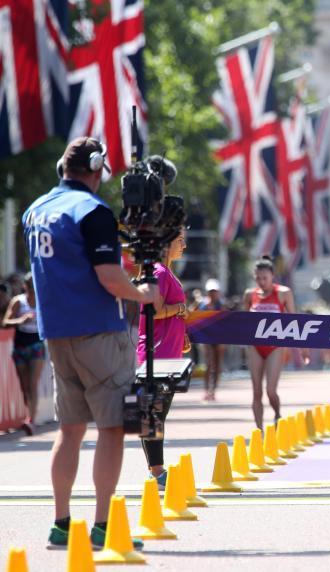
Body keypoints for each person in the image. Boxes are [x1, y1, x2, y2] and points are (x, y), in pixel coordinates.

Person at [23, 137, 154, 549]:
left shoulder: (34, 211)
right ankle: (102, 526)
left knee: (70, 430)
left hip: (57, 333)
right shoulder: (93, 211)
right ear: (96, 169)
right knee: (111, 429)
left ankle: (61, 523)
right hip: (99, 331)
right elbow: (109, 279)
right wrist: (144, 293)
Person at [136, 229, 188, 488]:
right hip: (157, 355)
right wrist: (179, 309)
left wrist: (182, 330)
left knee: (157, 414)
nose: (184, 245)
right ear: (167, 243)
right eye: (180, 240)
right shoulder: (158, 272)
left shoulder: (165, 272)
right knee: (152, 414)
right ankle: (157, 472)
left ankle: (156, 471)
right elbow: (152, 311)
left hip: (169, 354)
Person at [243, 256, 297, 430]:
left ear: (272, 276)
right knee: (256, 391)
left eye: (264, 278)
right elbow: (241, 322)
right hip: (255, 346)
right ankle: (259, 432)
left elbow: (295, 322)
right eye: (258, 278)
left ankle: (277, 414)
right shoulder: (249, 295)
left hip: (275, 346)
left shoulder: (283, 293)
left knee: (270, 391)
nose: (261, 281)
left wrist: (302, 348)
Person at [3, 273, 45, 435]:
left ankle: (31, 420)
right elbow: (6, 322)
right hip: (20, 345)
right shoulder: (18, 302)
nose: (32, 286)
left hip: (36, 344)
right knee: (25, 385)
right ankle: (29, 414)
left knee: (33, 384)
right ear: (24, 286)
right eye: (29, 283)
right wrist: (21, 320)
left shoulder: (42, 300)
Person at [199, 278, 226, 402]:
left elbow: (227, 322)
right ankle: (206, 390)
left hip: (219, 338)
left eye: (215, 291)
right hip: (206, 338)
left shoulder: (222, 305)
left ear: (218, 292)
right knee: (209, 364)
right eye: (210, 291)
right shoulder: (202, 304)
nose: (213, 293)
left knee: (218, 365)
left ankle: (213, 390)